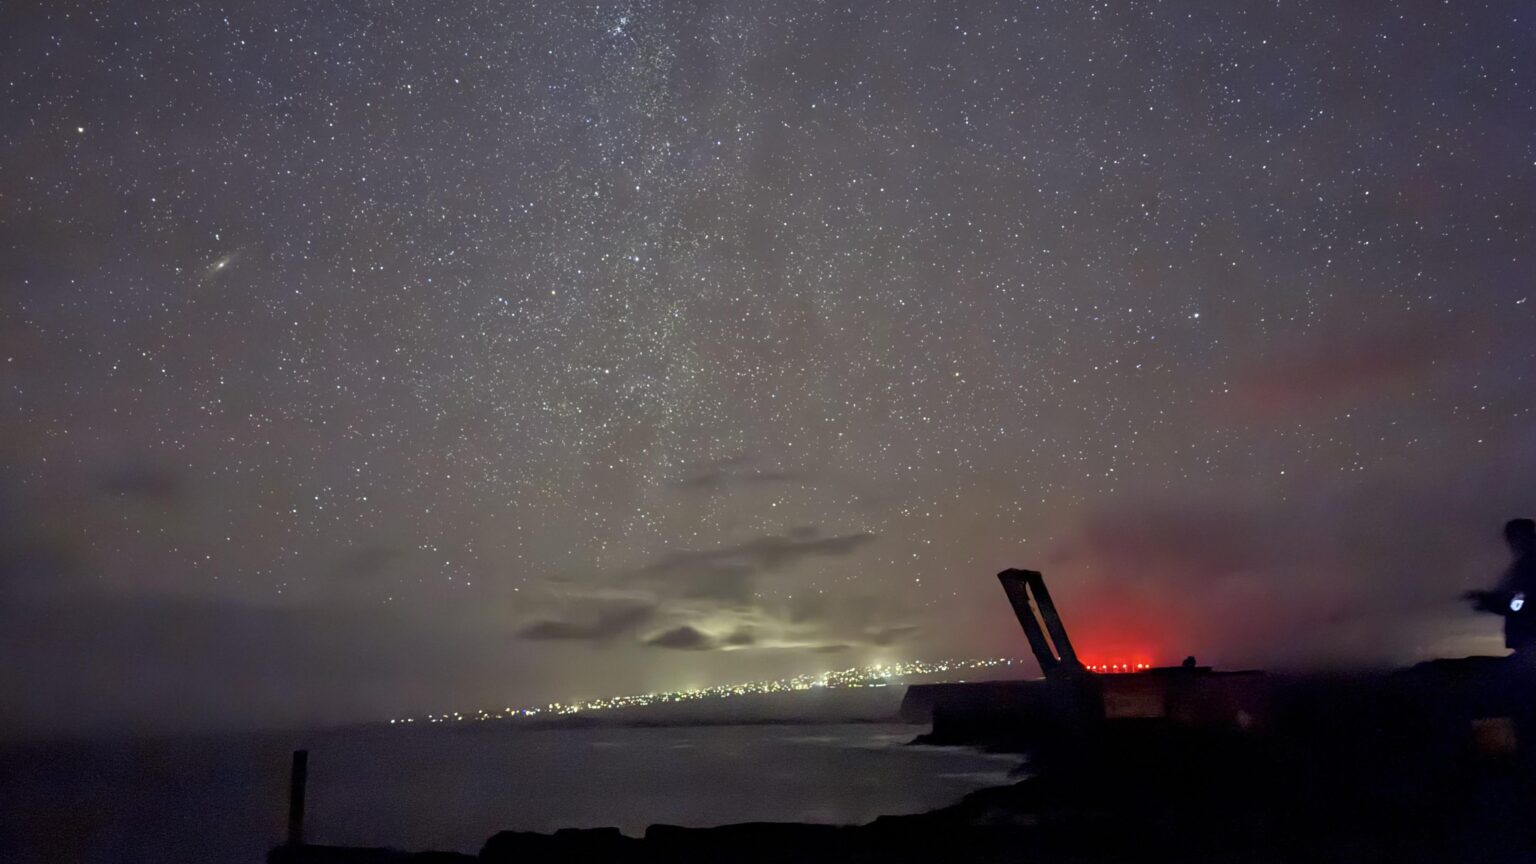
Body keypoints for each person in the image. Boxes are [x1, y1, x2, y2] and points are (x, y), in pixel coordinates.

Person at [1466, 518, 1536, 654]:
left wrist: (1487, 601)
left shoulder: (1526, 566)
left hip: (1529, 638)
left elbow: (1519, 605)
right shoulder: (1522, 565)